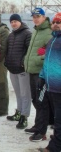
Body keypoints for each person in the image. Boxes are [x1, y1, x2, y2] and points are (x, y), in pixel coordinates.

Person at [24, 8, 53, 139]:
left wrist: (36, 59)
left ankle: (41, 131)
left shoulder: (49, 32)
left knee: (42, 102)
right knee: (35, 100)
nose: (35, 18)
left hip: (41, 73)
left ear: (44, 17)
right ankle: (38, 124)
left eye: (38, 16)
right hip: (32, 71)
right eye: (34, 16)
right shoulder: (35, 30)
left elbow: (51, 54)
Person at [37, 12, 61, 152]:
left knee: (59, 119)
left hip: (59, 87)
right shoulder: (52, 40)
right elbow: (47, 62)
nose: (56, 24)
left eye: (59, 22)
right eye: (54, 22)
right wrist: (41, 77)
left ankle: (54, 147)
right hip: (51, 85)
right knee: (56, 118)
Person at [5, 14, 32, 129]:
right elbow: (7, 50)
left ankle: (24, 116)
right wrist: (6, 61)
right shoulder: (11, 35)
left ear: (20, 22)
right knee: (18, 93)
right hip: (12, 68)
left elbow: (29, 51)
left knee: (25, 93)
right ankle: (19, 112)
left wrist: (23, 61)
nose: (13, 23)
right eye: (12, 22)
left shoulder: (27, 33)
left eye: (15, 21)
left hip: (22, 69)